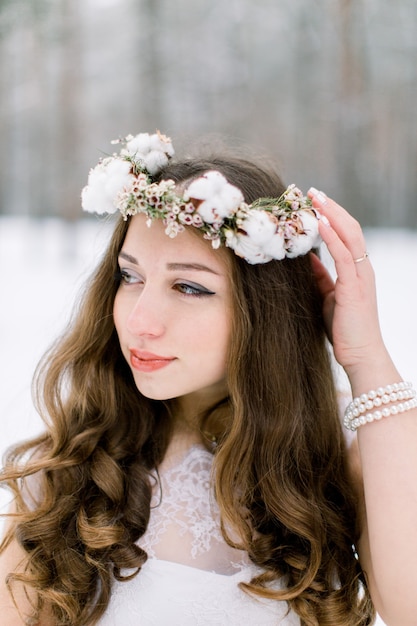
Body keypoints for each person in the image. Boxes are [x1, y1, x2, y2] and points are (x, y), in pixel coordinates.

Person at [0, 131, 416, 626]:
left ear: (266, 312)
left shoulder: (344, 454)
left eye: (190, 287)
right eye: (131, 277)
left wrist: (366, 357)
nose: (140, 321)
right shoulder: (76, 467)